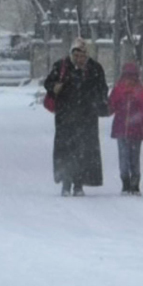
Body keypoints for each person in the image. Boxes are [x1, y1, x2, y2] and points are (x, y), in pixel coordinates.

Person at [44, 37, 109, 197]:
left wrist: (97, 102)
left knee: (83, 151)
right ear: (72, 54)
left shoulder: (94, 68)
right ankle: (66, 183)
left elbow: (103, 90)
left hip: (87, 118)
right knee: (66, 151)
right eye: (76, 55)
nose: (79, 59)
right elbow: (48, 83)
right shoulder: (62, 66)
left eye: (82, 55)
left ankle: (79, 184)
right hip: (65, 118)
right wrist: (54, 87)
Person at [108, 62, 143, 195]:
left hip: (134, 130)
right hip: (123, 130)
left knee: (133, 158)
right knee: (125, 158)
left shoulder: (140, 91)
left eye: (132, 77)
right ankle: (126, 182)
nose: (129, 80)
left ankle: (134, 183)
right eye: (127, 77)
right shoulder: (119, 90)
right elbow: (111, 105)